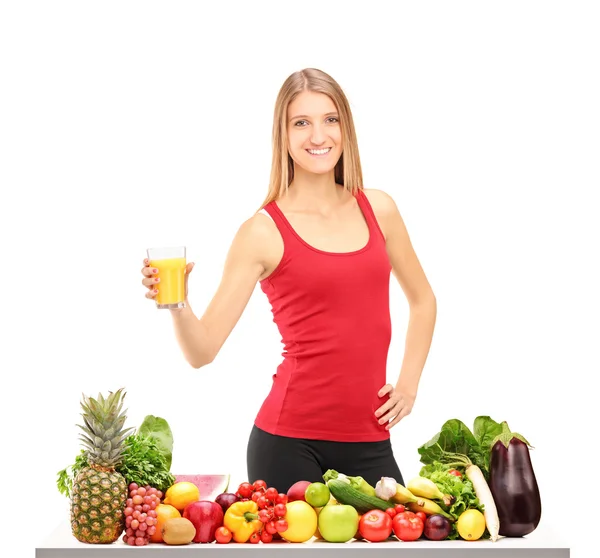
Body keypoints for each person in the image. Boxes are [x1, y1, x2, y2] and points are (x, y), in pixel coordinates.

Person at [140, 68, 437, 493]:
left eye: (330, 120)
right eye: (302, 122)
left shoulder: (379, 209)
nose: (319, 135)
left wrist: (407, 386)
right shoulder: (262, 232)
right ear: (283, 134)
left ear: (345, 128)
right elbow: (201, 351)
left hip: (371, 439)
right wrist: (177, 302)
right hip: (287, 442)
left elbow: (423, 300)